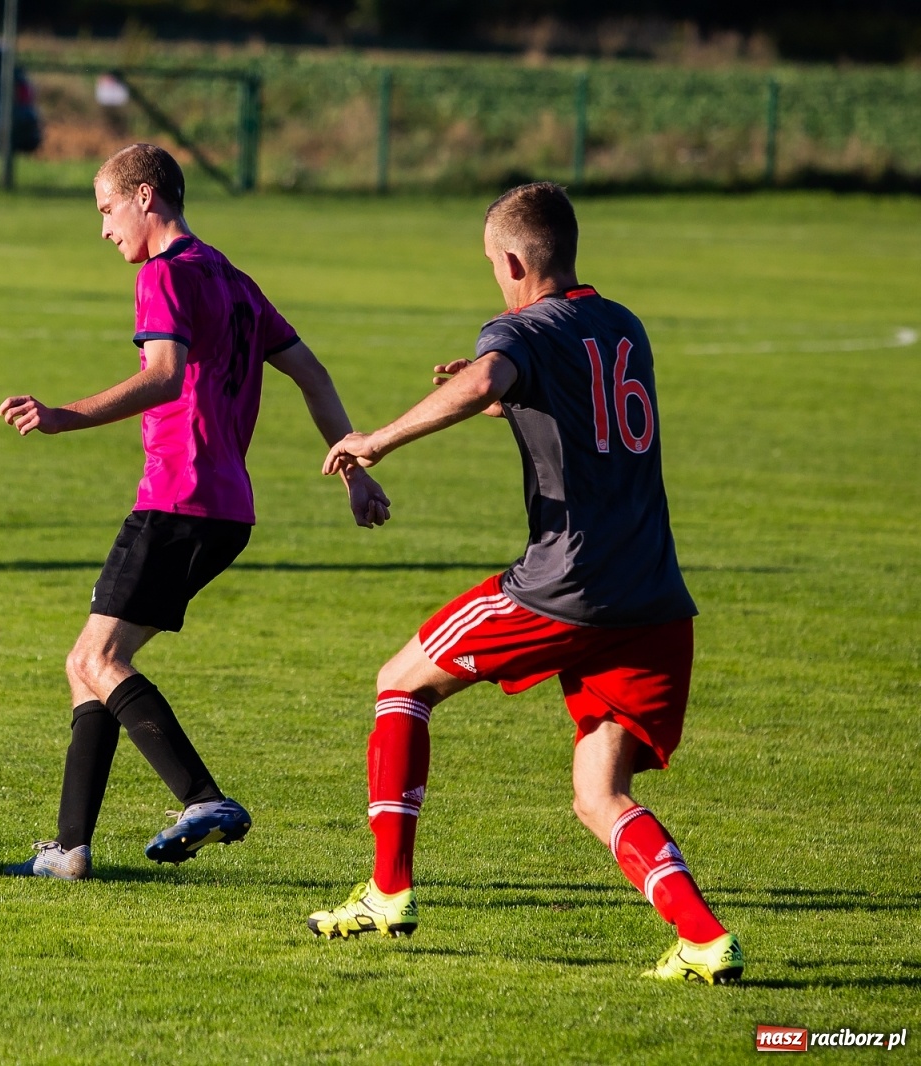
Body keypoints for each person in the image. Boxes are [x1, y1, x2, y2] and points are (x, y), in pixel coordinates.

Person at [305, 182, 742, 984]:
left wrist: (382, 440)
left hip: (566, 585)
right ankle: (704, 939)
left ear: (511, 260)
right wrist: (506, 393)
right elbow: (576, 409)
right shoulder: (622, 324)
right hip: (653, 597)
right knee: (595, 792)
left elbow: (484, 378)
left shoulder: (518, 327)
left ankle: (388, 892)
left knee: (401, 683)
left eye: (491, 265)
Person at [0, 144, 391, 880]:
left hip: (177, 498)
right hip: (224, 510)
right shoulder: (232, 279)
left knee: (97, 657)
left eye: (107, 209)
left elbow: (164, 376)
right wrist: (354, 469)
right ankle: (68, 850)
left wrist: (62, 417)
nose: (104, 229)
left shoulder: (165, 274)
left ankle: (203, 797)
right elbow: (310, 371)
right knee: (87, 665)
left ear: (146, 197)